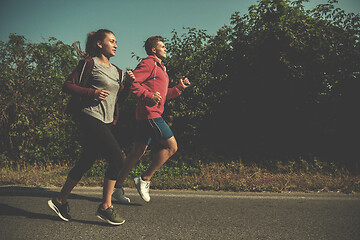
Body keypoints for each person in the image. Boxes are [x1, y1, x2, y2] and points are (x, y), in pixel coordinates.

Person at [47, 29, 135, 225]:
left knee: (87, 160)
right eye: (111, 41)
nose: (116, 45)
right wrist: (91, 93)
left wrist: (127, 85)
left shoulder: (117, 71)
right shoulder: (89, 64)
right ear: (99, 43)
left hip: (107, 120)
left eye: (116, 42)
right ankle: (105, 206)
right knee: (117, 158)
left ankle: (60, 200)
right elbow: (67, 85)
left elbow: (119, 99)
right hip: (89, 117)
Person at [112, 36, 190, 203]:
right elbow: (132, 83)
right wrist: (147, 96)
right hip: (150, 114)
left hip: (147, 114)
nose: (166, 49)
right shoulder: (149, 63)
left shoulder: (161, 68)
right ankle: (145, 179)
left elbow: (162, 95)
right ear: (154, 50)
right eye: (162, 46)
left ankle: (116, 189)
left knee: (136, 152)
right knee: (172, 147)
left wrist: (179, 88)